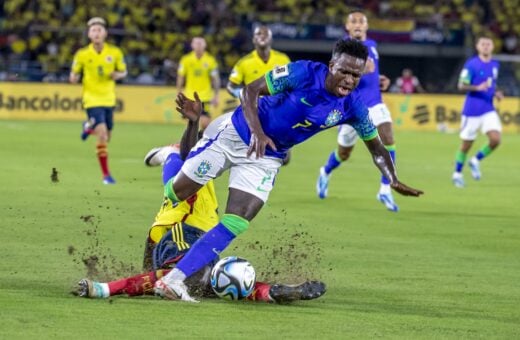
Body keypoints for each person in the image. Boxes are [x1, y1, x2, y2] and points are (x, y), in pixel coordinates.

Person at [153, 39, 423, 302]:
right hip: (236, 133)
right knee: (175, 194)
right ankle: (171, 155)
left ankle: (173, 280)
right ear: (331, 65)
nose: (349, 80)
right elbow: (250, 91)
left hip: (268, 157)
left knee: (237, 220)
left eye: (356, 75)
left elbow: (376, 147)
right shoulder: (303, 72)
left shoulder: (354, 106)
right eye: (344, 72)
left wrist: (392, 179)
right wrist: (257, 132)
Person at [77, 95, 326, 303]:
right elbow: (190, 155)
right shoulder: (211, 155)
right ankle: (266, 292)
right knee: (192, 276)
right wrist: (192, 124)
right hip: (181, 228)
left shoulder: (224, 151)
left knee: (202, 282)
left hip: (184, 232)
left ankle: (268, 292)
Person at [316, 10, 399, 212]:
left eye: (362, 21)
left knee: (387, 137)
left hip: (375, 103)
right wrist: (361, 71)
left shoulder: (372, 46)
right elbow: (337, 75)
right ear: (347, 26)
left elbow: (372, 73)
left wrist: (381, 79)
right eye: (354, 21)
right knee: (344, 153)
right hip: (351, 106)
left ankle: (385, 189)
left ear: (367, 26)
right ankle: (325, 171)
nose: (358, 24)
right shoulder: (343, 49)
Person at [70, 17, 127, 185]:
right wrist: (73, 77)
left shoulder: (115, 52)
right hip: (91, 99)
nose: (96, 33)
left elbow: (124, 72)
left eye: (99, 30)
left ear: (105, 33)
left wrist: (118, 75)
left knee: (107, 136)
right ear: (89, 34)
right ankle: (106, 175)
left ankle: (88, 127)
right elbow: (73, 74)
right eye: (93, 30)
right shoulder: (82, 54)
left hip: (109, 99)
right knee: (102, 135)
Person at [227, 25, 292, 165]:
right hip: (254, 113)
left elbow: (292, 84)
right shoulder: (244, 62)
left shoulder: (283, 59)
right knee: (253, 155)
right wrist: (243, 95)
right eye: (258, 34)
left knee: (284, 159)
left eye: (265, 34)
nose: (262, 36)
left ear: (271, 39)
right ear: (253, 39)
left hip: (278, 112)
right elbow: (230, 85)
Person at [451, 36, 503, 188]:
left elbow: (491, 83)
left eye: (488, 44)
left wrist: (496, 92)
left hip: (488, 108)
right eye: (483, 44)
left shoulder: (495, 64)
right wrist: (476, 88)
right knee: (466, 145)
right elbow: (461, 85)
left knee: (496, 140)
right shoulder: (471, 64)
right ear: (478, 47)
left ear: (493, 47)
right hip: (472, 111)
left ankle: (475, 160)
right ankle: (457, 173)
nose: (486, 46)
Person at [177, 37, 220, 131]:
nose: (199, 45)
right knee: (191, 123)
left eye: (201, 43)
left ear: (205, 45)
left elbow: (215, 79)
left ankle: (203, 142)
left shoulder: (210, 60)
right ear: (192, 45)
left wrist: (216, 95)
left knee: (206, 125)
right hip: (190, 96)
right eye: (197, 43)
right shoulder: (186, 59)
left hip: (205, 97)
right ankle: (189, 143)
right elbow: (181, 76)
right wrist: (179, 92)